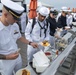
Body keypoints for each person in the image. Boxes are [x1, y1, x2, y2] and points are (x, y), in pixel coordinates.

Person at [0, 0, 38, 75]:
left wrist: (30, 43)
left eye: (18, 19)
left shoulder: (14, 25)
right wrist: (7, 57)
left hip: (17, 57)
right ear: (5, 15)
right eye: (15, 18)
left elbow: (19, 37)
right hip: (5, 62)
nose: (16, 21)